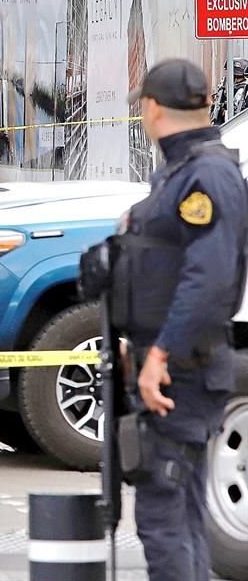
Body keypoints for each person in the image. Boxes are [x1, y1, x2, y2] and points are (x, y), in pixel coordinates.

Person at [115, 58, 248, 581]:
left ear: (152, 108)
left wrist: (160, 357)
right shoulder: (185, 168)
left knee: (164, 516)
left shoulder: (204, 174)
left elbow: (208, 278)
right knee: (181, 511)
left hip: (180, 371)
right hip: (172, 362)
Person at [209, 57, 248, 125]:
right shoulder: (225, 90)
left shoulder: (244, 91)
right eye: (233, 76)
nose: (235, 79)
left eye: (238, 77)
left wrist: (226, 112)